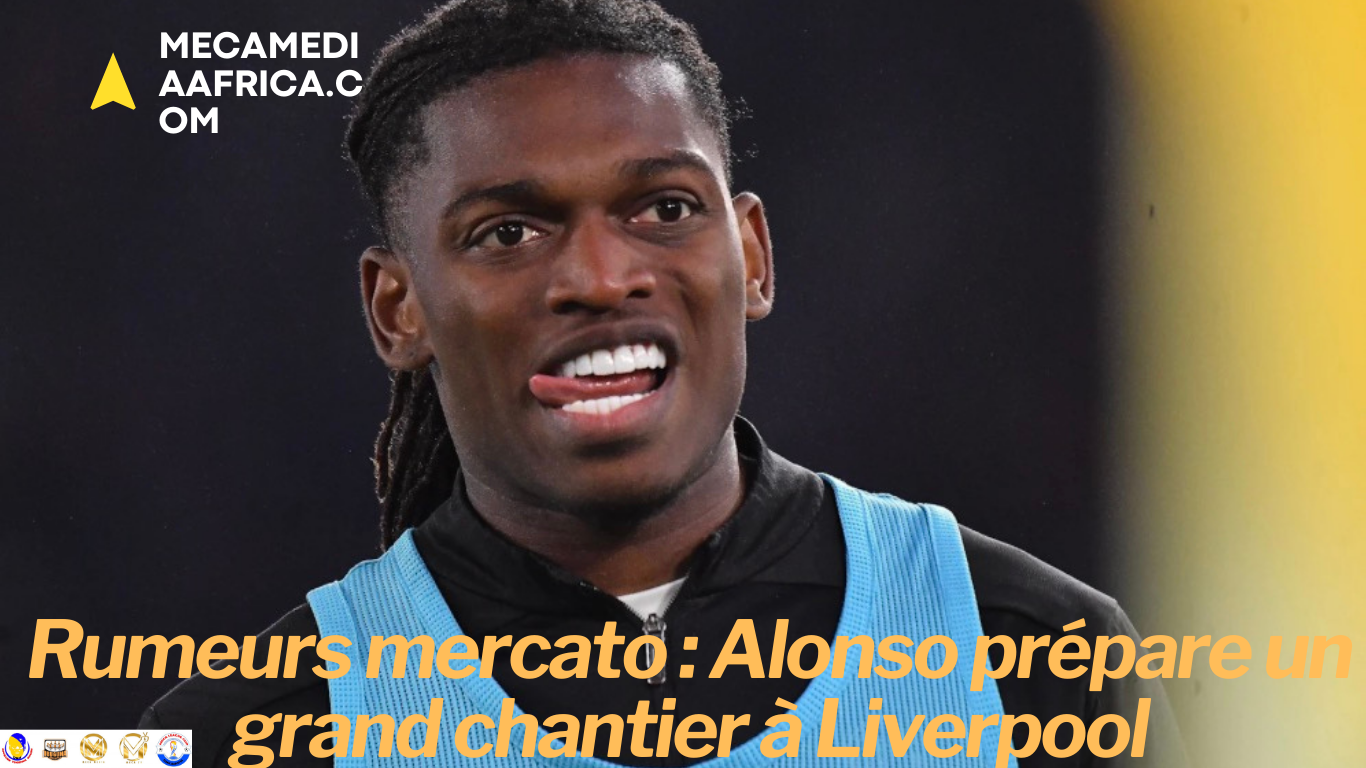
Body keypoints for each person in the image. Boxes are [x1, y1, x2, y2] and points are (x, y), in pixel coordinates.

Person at [141, 1, 1184, 765]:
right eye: (508, 232)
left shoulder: (1035, 655)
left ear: (753, 254)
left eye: (665, 210)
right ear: (396, 309)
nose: (601, 278)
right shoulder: (253, 729)